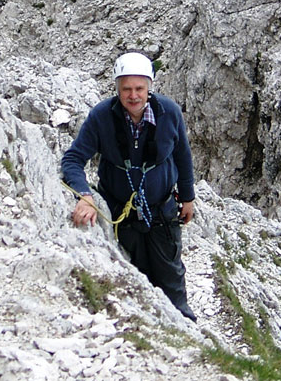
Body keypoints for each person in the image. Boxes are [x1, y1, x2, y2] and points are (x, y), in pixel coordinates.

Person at [60, 52, 197, 321]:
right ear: (117, 89)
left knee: (171, 276)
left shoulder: (169, 112)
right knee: (135, 277)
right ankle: (145, 329)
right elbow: (73, 159)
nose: (133, 95)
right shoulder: (102, 117)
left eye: (139, 89)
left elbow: (183, 155)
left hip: (162, 211)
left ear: (149, 88)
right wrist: (85, 196)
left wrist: (188, 197)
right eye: (126, 89)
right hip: (120, 214)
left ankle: (185, 327)